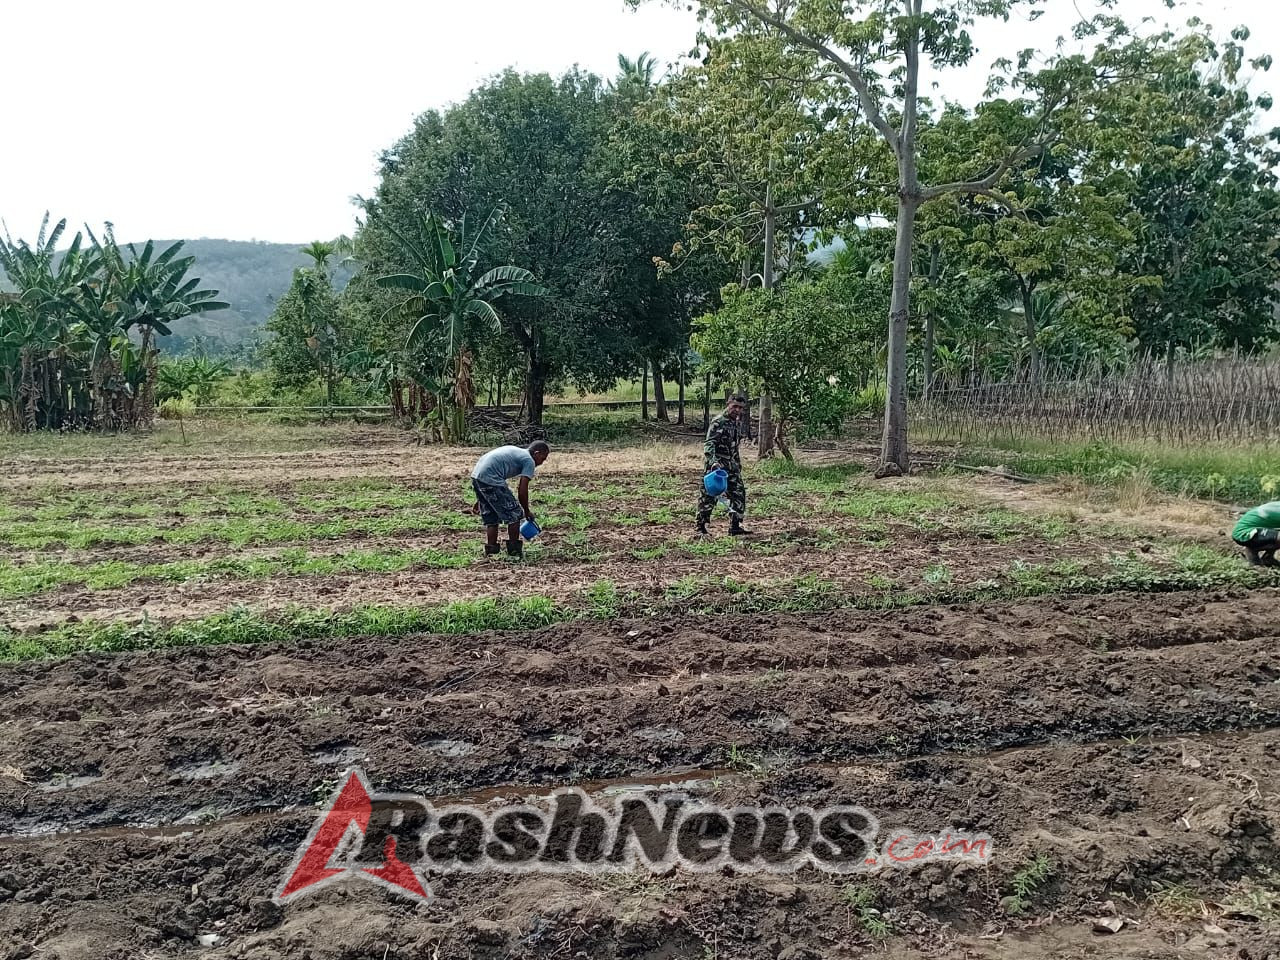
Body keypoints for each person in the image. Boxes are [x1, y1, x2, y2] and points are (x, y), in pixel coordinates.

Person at [470, 440, 550, 558]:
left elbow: (493, 469)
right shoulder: (529, 461)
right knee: (515, 514)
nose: (542, 463)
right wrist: (526, 511)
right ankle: (514, 552)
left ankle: (491, 552)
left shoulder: (517, 452)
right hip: (490, 478)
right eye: (543, 458)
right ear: (536, 453)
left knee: (491, 517)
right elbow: (522, 490)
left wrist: (482, 499)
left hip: (477, 476)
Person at [697, 395, 748, 537]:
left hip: (731, 467)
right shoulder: (718, 422)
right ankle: (700, 527)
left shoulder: (735, 423)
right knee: (708, 496)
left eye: (740, 408)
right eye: (735, 406)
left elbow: (734, 447)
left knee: (739, 494)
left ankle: (735, 526)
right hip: (717, 467)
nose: (737, 410)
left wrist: (737, 464)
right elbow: (709, 443)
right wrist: (713, 462)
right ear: (728, 404)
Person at [1232, 500, 1280, 567]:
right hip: (1244, 533)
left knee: (1276, 534)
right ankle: (1253, 552)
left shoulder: (1277, 506)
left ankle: (1267, 558)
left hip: (1251, 531)